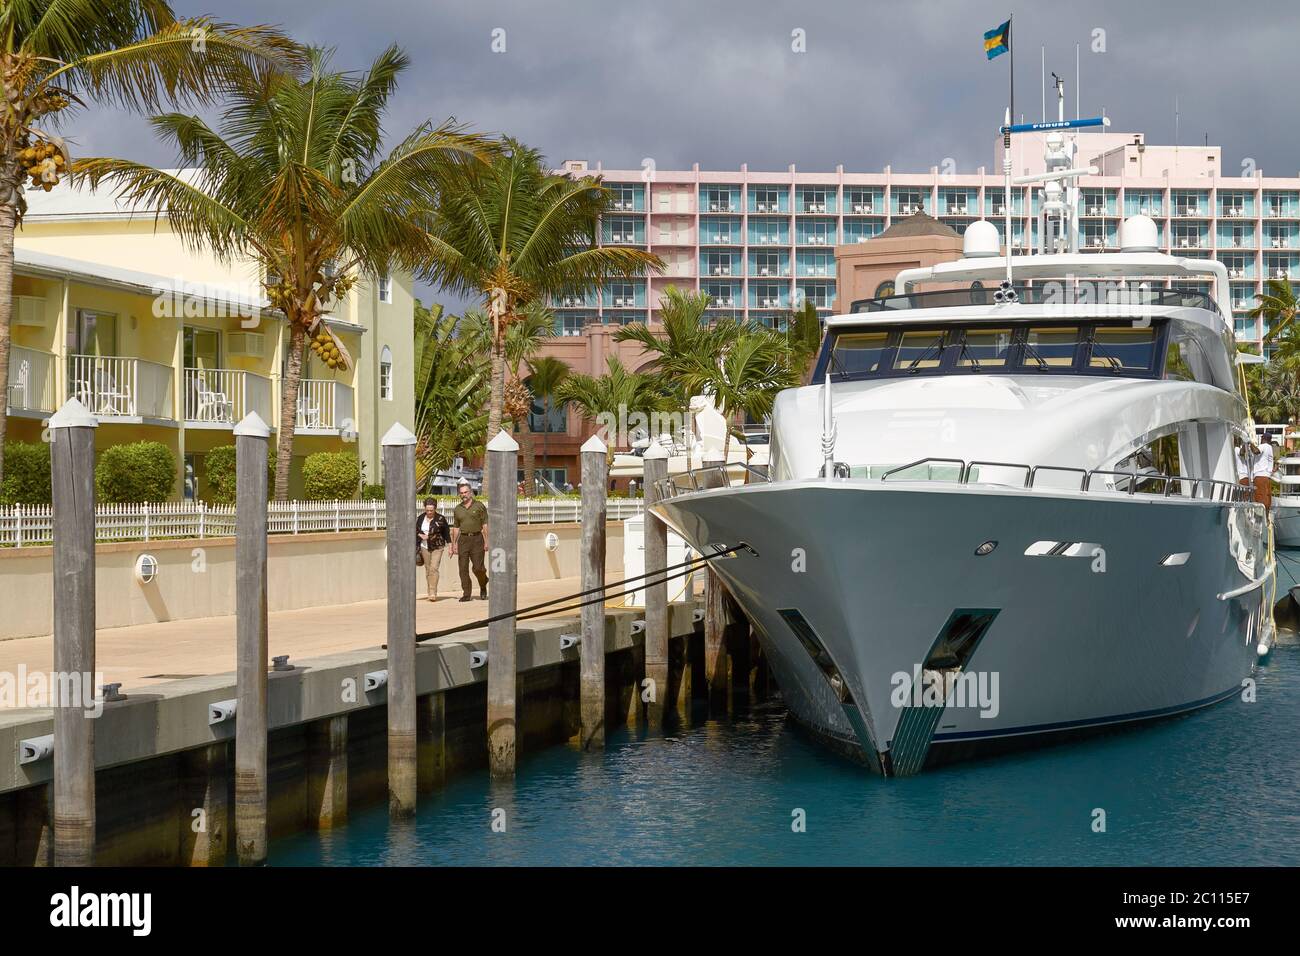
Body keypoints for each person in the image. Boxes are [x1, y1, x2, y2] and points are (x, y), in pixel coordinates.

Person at [450, 479, 489, 602]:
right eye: (461, 493)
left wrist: (487, 541)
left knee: (478, 568)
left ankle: (483, 584)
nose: (463, 495)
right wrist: (454, 544)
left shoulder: (479, 506)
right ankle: (467, 594)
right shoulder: (457, 509)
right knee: (463, 568)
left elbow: (485, 525)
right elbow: (456, 528)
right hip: (463, 540)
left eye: (466, 492)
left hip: (477, 539)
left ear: (471, 492)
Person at [416, 497, 451, 602]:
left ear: (435, 509)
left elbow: (446, 533)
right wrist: (420, 535)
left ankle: (433, 592)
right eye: (427, 510)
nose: (429, 512)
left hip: (437, 547)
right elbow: (415, 529)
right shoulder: (421, 518)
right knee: (428, 570)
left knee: (433, 568)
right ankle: (430, 592)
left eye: (431, 510)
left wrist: (450, 546)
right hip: (424, 547)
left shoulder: (441, 519)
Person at [1254, 433, 1275, 510]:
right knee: (1266, 498)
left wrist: (1249, 442)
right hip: (1267, 477)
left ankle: (1260, 518)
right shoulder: (1270, 447)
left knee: (1260, 498)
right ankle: (1266, 518)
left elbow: (1256, 451)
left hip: (1260, 476)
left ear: (1263, 438)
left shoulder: (1264, 446)